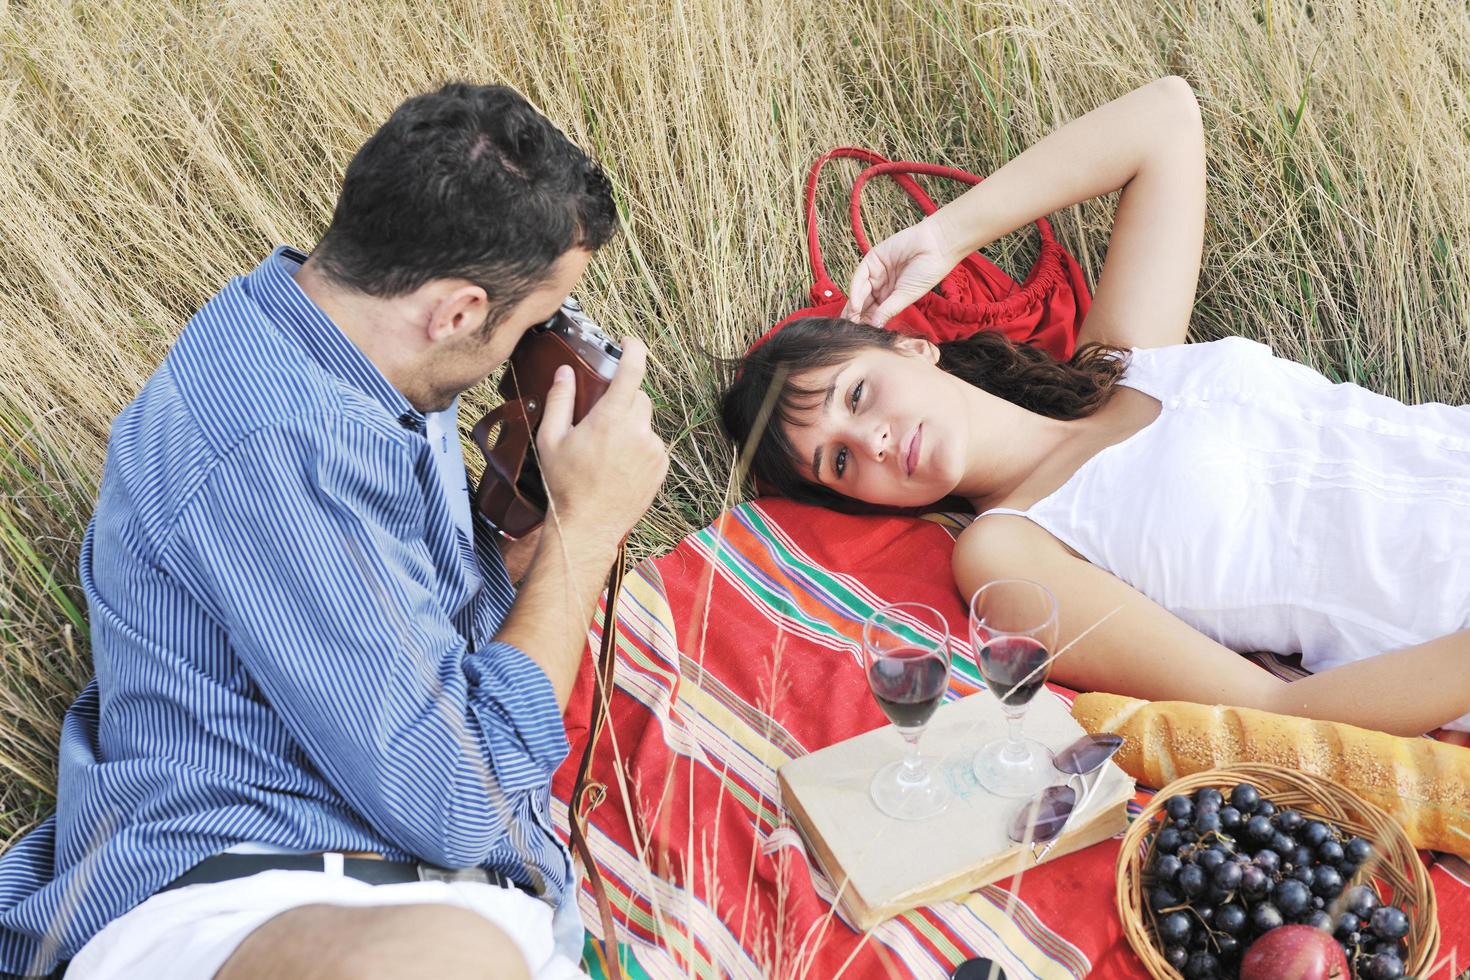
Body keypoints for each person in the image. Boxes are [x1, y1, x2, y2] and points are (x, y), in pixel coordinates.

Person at [0, 82, 668, 979]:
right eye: (531, 320)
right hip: (239, 886)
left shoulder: (367, 351)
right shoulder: (269, 442)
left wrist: (511, 542)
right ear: (461, 310)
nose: (532, 343)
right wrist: (587, 535)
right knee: (450, 960)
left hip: (434, 889)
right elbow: (458, 800)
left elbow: (409, 643)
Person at [721, 77, 1470, 738]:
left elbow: (1167, 118)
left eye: (857, 395)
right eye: (842, 461)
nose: (875, 441)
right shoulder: (1007, 551)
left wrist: (945, 235)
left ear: (913, 346)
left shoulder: (1124, 356)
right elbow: (1269, 711)